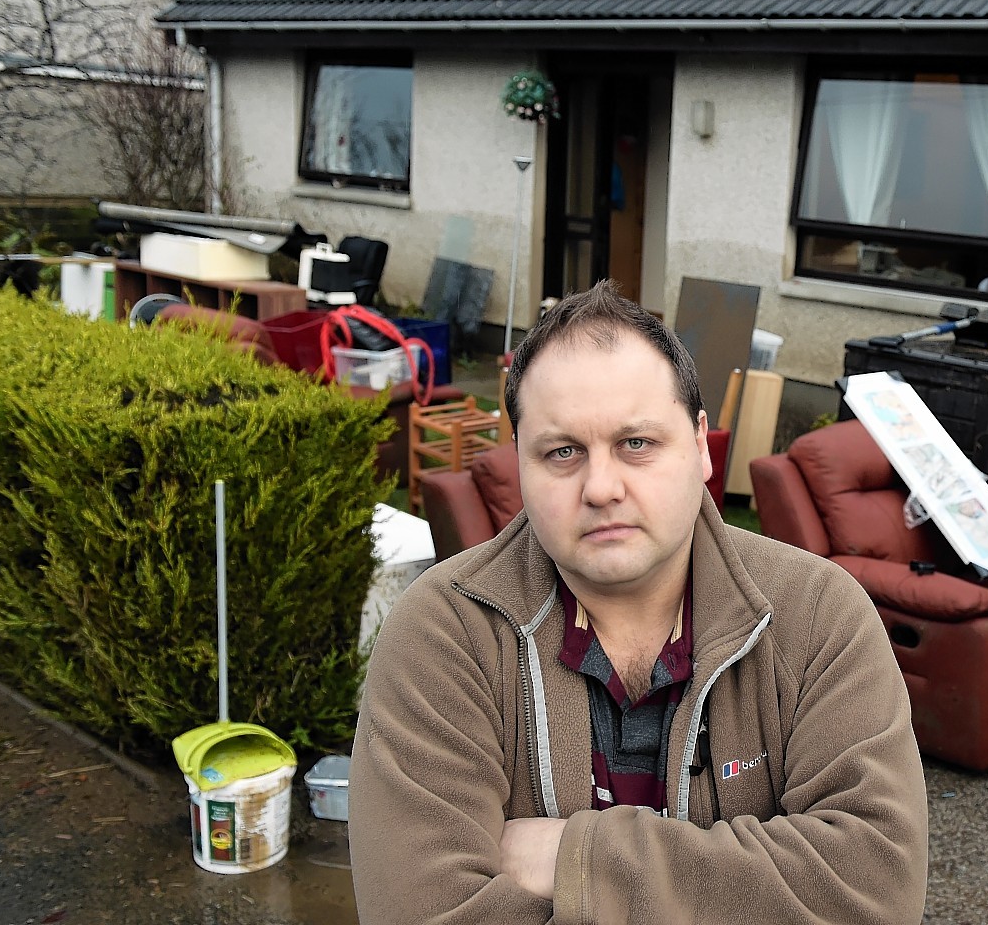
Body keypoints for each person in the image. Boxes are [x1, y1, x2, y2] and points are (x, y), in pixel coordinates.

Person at [349, 282, 928, 924]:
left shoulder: (818, 618)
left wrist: (577, 858)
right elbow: (420, 910)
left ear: (702, 445)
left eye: (637, 444)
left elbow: (873, 892)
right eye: (562, 452)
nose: (601, 488)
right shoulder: (444, 633)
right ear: (520, 462)